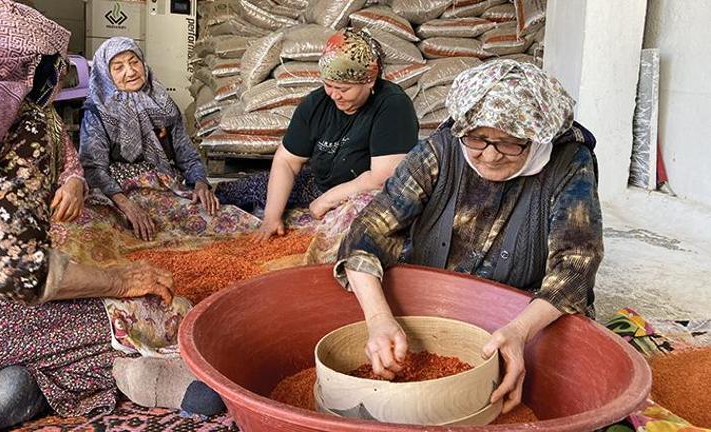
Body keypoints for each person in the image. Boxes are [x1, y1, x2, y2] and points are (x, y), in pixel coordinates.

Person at [0, 3, 222, 431]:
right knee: (139, 310)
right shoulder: (24, 123)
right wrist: (123, 279)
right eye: (55, 68)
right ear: (37, 72)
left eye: (134, 62)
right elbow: (13, 272)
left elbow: (178, 152)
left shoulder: (160, 104)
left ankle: (4, 394)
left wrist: (194, 179)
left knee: (31, 362)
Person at [334, 59, 603, 414]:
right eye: (477, 138)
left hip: (520, 309)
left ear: (538, 138)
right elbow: (370, 231)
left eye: (510, 144)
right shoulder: (441, 150)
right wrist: (380, 320)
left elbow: (575, 267)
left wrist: (520, 331)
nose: (489, 156)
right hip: (434, 298)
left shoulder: (568, 164)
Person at [215, 28, 419, 241]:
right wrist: (271, 216)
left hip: (365, 194)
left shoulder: (393, 105)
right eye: (328, 85)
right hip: (319, 183)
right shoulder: (316, 103)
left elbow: (381, 179)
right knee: (234, 193)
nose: (334, 95)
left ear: (369, 79)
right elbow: (286, 161)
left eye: (343, 88)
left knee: (357, 227)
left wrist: (328, 200)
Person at [80, 37, 219, 242]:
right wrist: (127, 206)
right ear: (105, 75)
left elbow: (187, 155)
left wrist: (200, 183)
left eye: (134, 62)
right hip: (115, 196)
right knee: (90, 229)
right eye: (118, 67)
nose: (131, 71)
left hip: (162, 189)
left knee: (213, 218)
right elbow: (93, 169)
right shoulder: (97, 112)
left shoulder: (165, 105)